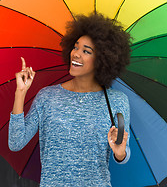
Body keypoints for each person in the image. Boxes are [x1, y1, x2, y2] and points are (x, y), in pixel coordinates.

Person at [8, 12, 131, 187]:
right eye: (75, 47)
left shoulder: (116, 101)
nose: (76, 54)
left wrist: (119, 152)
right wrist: (20, 93)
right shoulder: (47, 97)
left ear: (103, 59)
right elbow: (16, 143)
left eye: (86, 51)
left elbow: (124, 153)